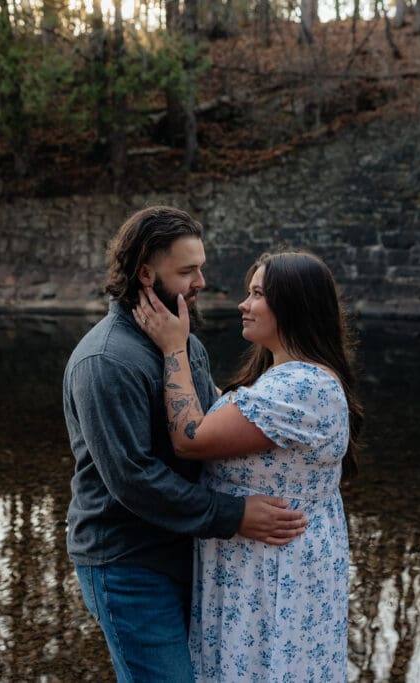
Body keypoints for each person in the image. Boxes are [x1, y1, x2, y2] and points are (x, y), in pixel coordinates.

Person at [62, 207, 309, 683]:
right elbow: (134, 480)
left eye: (201, 266)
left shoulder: (181, 339)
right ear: (146, 274)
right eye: (187, 270)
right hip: (126, 563)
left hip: (184, 550)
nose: (201, 281)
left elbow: (207, 424)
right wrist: (235, 515)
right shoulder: (105, 360)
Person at [135, 251, 364, 681]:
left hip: (273, 574)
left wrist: (173, 348)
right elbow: (238, 420)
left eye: (257, 294)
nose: (243, 304)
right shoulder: (287, 379)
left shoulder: (302, 386)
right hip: (260, 565)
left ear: (293, 306)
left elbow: (190, 438)